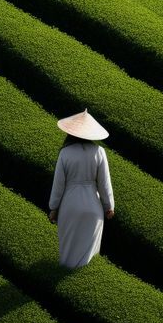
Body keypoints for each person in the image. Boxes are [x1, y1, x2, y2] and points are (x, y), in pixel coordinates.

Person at [48, 108, 115, 268]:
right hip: (93, 205)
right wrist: (109, 206)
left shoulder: (65, 153)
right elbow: (104, 183)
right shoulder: (99, 152)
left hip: (69, 206)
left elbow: (58, 185)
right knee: (88, 257)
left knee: (69, 253)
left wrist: (53, 208)